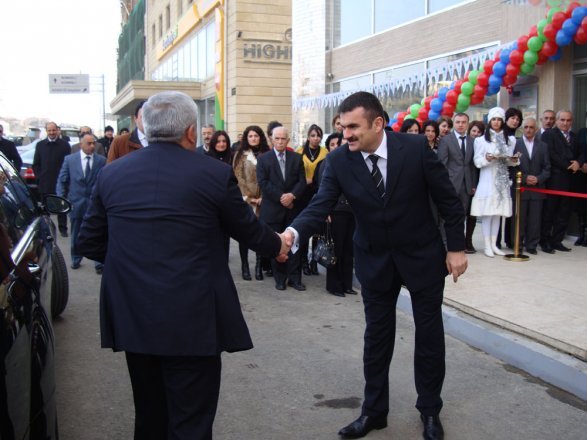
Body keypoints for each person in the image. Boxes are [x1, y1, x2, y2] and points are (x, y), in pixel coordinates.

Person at [77, 91, 288, 440]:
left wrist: (134, 263)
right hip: (194, 317)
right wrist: (279, 245)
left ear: (147, 127)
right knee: (191, 422)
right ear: (191, 132)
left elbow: (88, 242)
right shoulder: (213, 174)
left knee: (149, 417)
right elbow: (248, 231)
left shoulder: (112, 174)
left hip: (135, 313)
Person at [284, 92, 467, 440]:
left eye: (353, 127)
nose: (346, 134)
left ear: (378, 123)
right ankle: (374, 412)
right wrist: (292, 234)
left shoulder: (415, 149)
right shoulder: (339, 161)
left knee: (429, 337)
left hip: (422, 257)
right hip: (374, 259)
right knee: (377, 339)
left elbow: (449, 201)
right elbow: (320, 204)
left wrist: (455, 248)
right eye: (343, 127)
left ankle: (430, 410)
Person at [256, 126, 306, 291]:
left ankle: (295, 279)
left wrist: (292, 196)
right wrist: (282, 198)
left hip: (293, 209)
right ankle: (280, 279)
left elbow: (302, 181)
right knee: (277, 245)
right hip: (273, 210)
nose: (280, 141)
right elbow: (263, 183)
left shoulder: (297, 158)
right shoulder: (263, 159)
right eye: (276, 138)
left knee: (295, 244)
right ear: (271, 140)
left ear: (288, 140)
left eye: (283, 138)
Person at [470, 107, 519, 258]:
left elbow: (509, 161)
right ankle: (487, 245)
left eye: (499, 119)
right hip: (487, 178)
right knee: (488, 213)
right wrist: (487, 159)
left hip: (502, 179)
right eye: (494, 119)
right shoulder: (480, 140)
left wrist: (514, 160)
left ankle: (494, 245)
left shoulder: (510, 139)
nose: (496, 122)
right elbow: (477, 161)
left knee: (498, 213)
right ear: (490, 121)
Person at [314, 132, 357, 297]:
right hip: (335, 212)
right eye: (335, 144)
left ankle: (347, 284)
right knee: (335, 249)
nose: (340, 147)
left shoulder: (354, 161)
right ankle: (334, 286)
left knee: (348, 250)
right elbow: (322, 189)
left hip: (352, 211)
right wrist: (326, 211)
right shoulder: (329, 163)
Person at [56, 133, 106, 273]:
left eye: (93, 143)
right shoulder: (70, 160)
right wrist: (61, 198)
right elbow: (62, 180)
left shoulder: (101, 161)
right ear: (81, 144)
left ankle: (99, 263)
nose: (92, 146)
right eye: (89, 143)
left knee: (98, 233)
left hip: (95, 204)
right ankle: (76, 258)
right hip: (76, 203)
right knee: (76, 233)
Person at [540, 110, 584, 253]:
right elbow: (551, 155)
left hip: (570, 182)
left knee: (564, 213)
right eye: (562, 120)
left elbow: (582, 153)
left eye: (568, 120)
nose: (565, 123)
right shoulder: (549, 135)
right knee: (549, 212)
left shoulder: (574, 137)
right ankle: (545, 241)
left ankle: (557, 241)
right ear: (557, 121)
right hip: (555, 181)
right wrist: (568, 166)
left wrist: (578, 162)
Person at [437, 113, 478, 254]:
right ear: (454, 123)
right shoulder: (446, 140)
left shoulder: (473, 141)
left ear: (468, 124)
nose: (461, 124)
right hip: (451, 184)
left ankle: (458, 244)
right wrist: (444, 184)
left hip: (466, 185)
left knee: (462, 215)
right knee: (446, 216)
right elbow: (442, 164)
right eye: (458, 122)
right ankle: (445, 244)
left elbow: (472, 165)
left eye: (464, 122)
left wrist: (473, 184)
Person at [233, 125, 271, 281]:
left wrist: (264, 197)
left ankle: (258, 267)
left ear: (260, 137)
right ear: (246, 138)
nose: (253, 138)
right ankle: (245, 266)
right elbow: (238, 179)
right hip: (246, 202)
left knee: (260, 234)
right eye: (250, 136)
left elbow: (271, 177)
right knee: (245, 235)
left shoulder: (267, 154)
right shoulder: (240, 155)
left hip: (264, 201)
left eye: (256, 136)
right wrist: (250, 198)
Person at [511, 118, 550, 255]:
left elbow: (547, 168)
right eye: (526, 127)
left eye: (531, 127)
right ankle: (518, 244)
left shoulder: (543, 146)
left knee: (535, 220)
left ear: (536, 129)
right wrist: (524, 178)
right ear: (522, 128)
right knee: (519, 220)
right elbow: (511, 167)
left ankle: (532, 245)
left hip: (537, 189)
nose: (528, 130)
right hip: (520, 189)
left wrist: (538, 179)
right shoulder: (515, 144)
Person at [296, 124, 328, 279]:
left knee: (317, 229)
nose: (316, 138)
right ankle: (303, 262)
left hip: (318, 193)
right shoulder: (299, 152)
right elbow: (295, 172)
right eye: (313, 135)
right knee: (304, 228)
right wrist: (305, 180)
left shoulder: (325, 152)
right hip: (302, 194)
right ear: (308, 137)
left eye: (318, 135)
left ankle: (315, 261)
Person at [32, 121, 71, 237]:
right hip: (45, 182)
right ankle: (46, 230)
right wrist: (39, 177)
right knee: (45, 209)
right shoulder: (40, 145)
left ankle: (63, 229)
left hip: (60, 182)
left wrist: (65, 179)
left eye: (54, 130)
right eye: (49, 130)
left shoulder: (65, 145)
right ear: (46, 131)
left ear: (57, 130)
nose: (52, 132)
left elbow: (68, 164)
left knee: (61, 207)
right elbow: (36, 164)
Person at [575, 126, 587, 246]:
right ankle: (582, 234)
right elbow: (577, 152)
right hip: (581, 175)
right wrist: (581, 164)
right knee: (581, 207)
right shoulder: (582, 132)